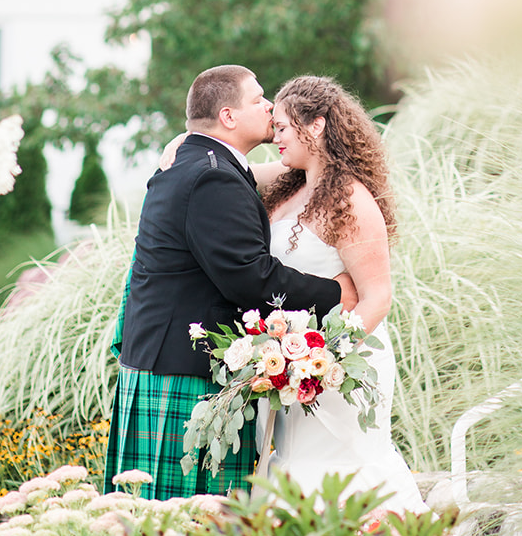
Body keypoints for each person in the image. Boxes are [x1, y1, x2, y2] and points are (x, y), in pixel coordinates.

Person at [161, 73, 426, 510]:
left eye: (282, 127)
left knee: (342, 469)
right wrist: (289, 361)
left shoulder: (352, 200)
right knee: (291, 467)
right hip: (288, 367)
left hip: (339, 368)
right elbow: (203, 155)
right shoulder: (286, 187)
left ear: (316, 126)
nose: (274, 136)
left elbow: (378, 296)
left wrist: (324, 359)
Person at [105, 64, 358, 501]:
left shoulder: (199, 163)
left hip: (162, 361)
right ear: (228, 116)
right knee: (192, 532)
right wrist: (337, 294)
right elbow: (251, 279)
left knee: (160, 534)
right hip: (182, 373)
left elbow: (259, 188)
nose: (269, 105)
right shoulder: (211, 176)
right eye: (258, 98)